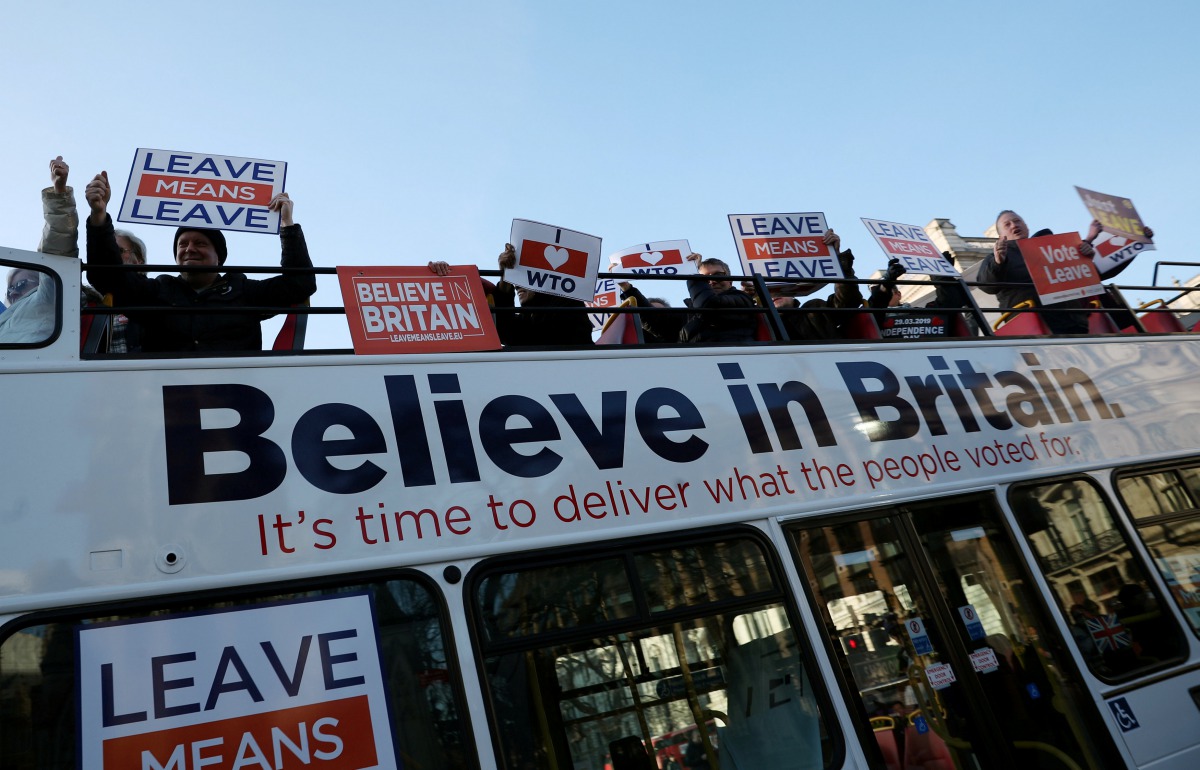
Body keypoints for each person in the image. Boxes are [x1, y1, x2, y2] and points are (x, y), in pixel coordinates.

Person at [84, 170, 316, 353]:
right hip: (161, 402)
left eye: (200, 243)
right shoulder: (158, 289)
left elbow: (300, 285)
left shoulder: (243, 289)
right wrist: (99, 216)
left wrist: (287, 225)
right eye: (182, 244)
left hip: (238, 397)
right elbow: (105, 277)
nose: (190, 249)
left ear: (219, 257)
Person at [433, 245, 592, 347]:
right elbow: (505, 331)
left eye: (525, 277)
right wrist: (441, 276)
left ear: (546, 280)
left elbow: (529, 335)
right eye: (516, 279)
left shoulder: (569, 306)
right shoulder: (527, 318)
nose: (517, 284)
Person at [977, 210, 1098, 334]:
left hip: (1075, 323)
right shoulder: (996, 258)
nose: (1014, 225)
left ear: (1027, 227)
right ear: (1000, 235)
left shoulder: (1051, 248)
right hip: (1032, 328)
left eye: (1017, 221)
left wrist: (1086, 255)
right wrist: (998, 262)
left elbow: (1084, 276)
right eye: (1007, 224)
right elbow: (987, 286)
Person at [772, 230, 866, 340]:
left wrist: (837, 262)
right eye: (770, 288)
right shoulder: (759, 321)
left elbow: (849, 301)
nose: (775, 293)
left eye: (781, 286)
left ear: (794, 291)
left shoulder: (816, 309)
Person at [680, 253, 758, 343]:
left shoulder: (743, 298)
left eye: (718, 275)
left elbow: (709, 305)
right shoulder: (687, 312)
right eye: (704, 279)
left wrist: (694, 275)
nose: (712, 281)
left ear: (730, 281)